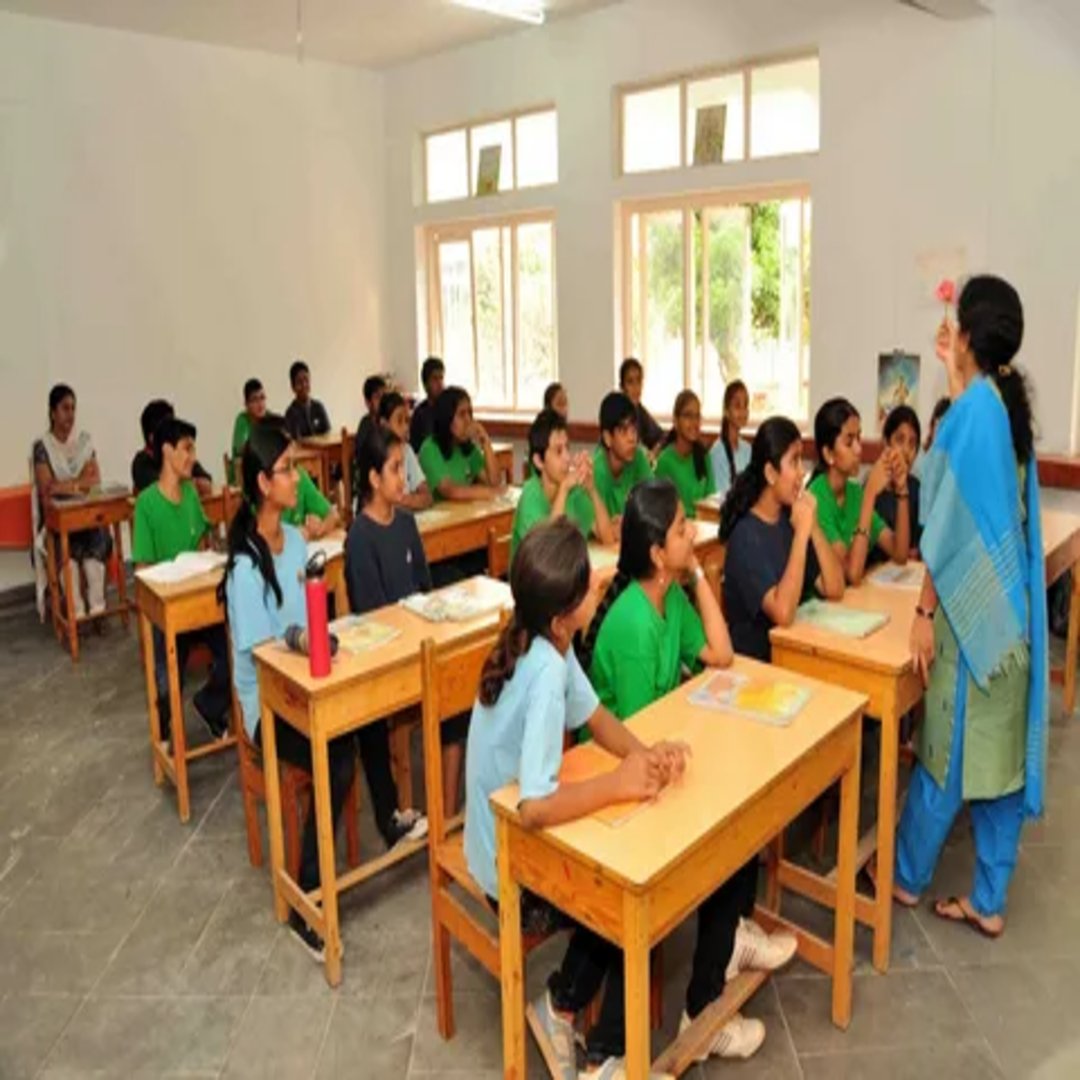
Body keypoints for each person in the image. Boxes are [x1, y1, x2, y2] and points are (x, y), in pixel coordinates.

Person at [578, 480, 796, 1067]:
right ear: (655, 552)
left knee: (741, 824)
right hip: (618, 777)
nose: (691, 534)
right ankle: (700, 1006)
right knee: (719, 836)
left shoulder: (670, 598)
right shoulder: (631, 623)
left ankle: (713, 976)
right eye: (680, 530)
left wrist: (698, 575)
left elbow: (722, 655)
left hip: (660, 755)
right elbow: (628, 739)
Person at [464, 519, 691, 1076]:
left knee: (623, 870)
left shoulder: (544, 639)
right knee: (623, 900)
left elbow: (595, 717)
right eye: (589, 586)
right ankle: (602, 1050)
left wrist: (645, 752)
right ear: (564, 617)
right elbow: (535, 807)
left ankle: (562, 1004)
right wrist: (616, 784)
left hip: (496, 834)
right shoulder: (543, 669)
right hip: (506, 861)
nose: (600, 587)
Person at [889, 275, 1047, 939]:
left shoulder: (971, 414)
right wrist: (957, 374)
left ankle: (902, 878)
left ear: (971, 335)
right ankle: (988, 900)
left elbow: (947, 523)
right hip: (1009, 622)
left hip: (969, 618)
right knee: (999, 767)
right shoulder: (1004, 408)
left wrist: (923, 614)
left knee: (944, 759)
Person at [222, 417, 358, 962]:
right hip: (268, 702)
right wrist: (305, 640)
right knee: (335, 753)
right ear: (262, 483)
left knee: (353, 725)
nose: (296, 478)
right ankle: (306, 891)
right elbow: (263, 654)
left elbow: (312, 609)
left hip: (305, 682)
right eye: (285, 469)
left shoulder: (298, 539)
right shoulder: (243, 567)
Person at [342, 429, 432, 847]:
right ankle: (388, 813)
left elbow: (425, 588)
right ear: (374, 480)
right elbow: (373, 612)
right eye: (395, 469)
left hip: (417, 640)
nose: (404, 478)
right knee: (369, 718)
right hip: (381, 651)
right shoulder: (360, 537)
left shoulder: (407, 524)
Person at [132, 417, 231, 742]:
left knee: (235, 649)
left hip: (200, 601)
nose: (193, 456)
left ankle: (211, 705)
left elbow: (203, 545)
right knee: (165, 677)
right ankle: (164, 722)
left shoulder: (190, 495)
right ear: (166, 451)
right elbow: (144, 569)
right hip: (168, 607)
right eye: (186, 448)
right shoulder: (146, 504)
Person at [720, 418, 845, 662]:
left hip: (792, 654)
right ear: (770, 473)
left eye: (802, 461)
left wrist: (814, 526)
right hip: (758, 665)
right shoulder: (746, 536)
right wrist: (801, 534)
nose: (802, 472)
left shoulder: (790, 518)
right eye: (794, 461)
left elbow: (835, 588)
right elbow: (783, 612)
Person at [807, 397, 910, 585]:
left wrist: (902, 490)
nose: (858, 449)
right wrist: (870, 493)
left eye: (859, 438)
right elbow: (851, 574)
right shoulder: (815, 497)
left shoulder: (854, 492)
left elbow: (900, 553)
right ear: (829, 454)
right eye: (849, 442)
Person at [32, 384, 112, 618]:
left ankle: (97, 611)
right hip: (56, 526)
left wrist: (66, 485)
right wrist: (79, 483)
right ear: (52, 412)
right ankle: (76, 615)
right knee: (69, 561)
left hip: (86, 521)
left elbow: (95, 480)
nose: (70, 415)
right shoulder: (43, 447)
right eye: (65, 408)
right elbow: (48, 489)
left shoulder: (83, 443)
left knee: (95, 551)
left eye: (73, 409)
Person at [511, 409, 614, 559]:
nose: (567, 457)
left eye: (567, 448)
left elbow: (608, 538)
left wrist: (591, 490)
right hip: (532, 579)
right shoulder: (530, 495)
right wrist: (564, 490)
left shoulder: (575, 492)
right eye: (558, 451)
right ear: (539, 461)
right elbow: (548, 555)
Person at [418, 386, 503, 502]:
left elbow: (494, 482)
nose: (468, 420)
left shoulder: (468, 448)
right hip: (441, 517)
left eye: (470, 413)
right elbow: (450, 490)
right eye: (461, 414)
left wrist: (485, 441)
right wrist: (489, 492)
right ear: (446, 418)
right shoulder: (430, 448)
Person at [131, 399, 212, 496]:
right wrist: (190, 483)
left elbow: (206, 482)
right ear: (152, 438)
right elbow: (166, 489)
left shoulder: (180, 454)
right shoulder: (142, 463)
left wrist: (195, 484)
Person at [592, 391, 653, 520]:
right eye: (624, 431)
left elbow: (654, 502)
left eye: (634, 430)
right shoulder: (595, 472)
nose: (632, 438)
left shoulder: (638, 457)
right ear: (608, 438)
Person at [655, 390, 715, 517]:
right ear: (675, 421)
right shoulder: (665, 461)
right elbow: (662, 510)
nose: (694, 422)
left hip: (705, 527)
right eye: (688, 416)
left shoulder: (704, 456)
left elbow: (711, 500)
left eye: (697, 416)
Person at [875, 405, 923, 554]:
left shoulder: (917, 489)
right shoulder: (873, 489)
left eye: (912, 443)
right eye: (900, 440)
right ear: (886, 442)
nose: (906, 450)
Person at [377, 391, 433, 511]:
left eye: (407, 421)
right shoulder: (375, 454)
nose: (406, 428)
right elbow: (382, 504)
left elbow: (427, 497)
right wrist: (411, 500)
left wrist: (401, 499)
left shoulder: (407, 450)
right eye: (399, 421)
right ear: (384, 424)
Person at [709, 380, 751, 498]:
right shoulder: (717, 452)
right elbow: (721, 497)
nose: (743, 412)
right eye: (737, 406)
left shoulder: (748, 449)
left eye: (746, 405)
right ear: (726, 411)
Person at [619, 358, 663, 453]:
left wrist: (654, 452)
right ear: (622, 387)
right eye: (630, 382)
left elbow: (661, 437)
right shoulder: (616, 414)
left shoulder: (640, 412)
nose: (636, 387)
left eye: (639, 381)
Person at [284, 360, 332, 440]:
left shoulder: (318, 407)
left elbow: (328, 435)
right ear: (293, 387)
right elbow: (295, 442)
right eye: (299, 382)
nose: (304, 385)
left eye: (306, 380)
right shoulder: (291, 413)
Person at [410, 356, 445, 452]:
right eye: (435, 379)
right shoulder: (420, 414)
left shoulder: (449, 408)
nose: (440, 384)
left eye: (441, 378)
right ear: (425, 384)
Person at [231, 378, 268, 463]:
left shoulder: (269, 417)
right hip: (244, 470)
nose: (260, 404)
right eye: (255, 400)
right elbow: (242, 449)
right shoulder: (242, 420)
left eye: (262, 398)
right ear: (246, 404)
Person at [356, 375, 388, 450]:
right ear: (368, 402)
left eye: (385, 396)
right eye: (378, 397)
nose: (383, 400)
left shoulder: (388, 420)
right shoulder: (366, 424)